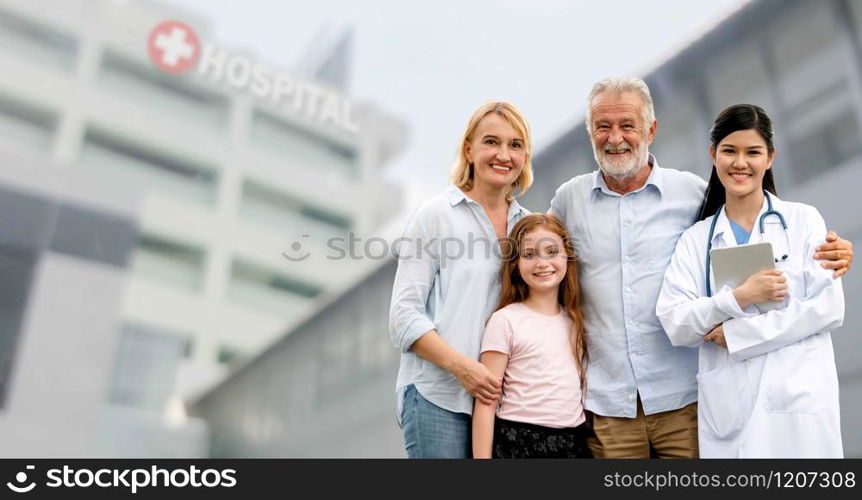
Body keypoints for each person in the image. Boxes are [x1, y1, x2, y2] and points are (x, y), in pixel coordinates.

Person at [548, 77, 854, 458]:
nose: (615, 138)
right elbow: (535, 256)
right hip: (610, 406)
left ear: (651, 130)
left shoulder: (693, 196)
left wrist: (836, 251)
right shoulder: (568, 201)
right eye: (602, 126)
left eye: (628, 125)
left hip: (685, 400)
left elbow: (823, 303)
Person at [656, 104, 844, 458]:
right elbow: (675, 322)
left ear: (770, 158)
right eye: (729, 151)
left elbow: (827, 308)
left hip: (797, 405)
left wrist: (736, 334)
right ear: (713, 154)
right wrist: (736, 299)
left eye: (753, 152)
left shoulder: (803, 220)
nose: (740, 163)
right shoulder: (696, 239)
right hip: (730, 412)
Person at [389, 101, 534, 458]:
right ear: (469, 150)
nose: (503, 154)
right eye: (491, 142)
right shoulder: (436, 215)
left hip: (506, 409)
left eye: (515, 145)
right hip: (437, 398)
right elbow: (403, 318)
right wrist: (463, 369)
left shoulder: (530, 228)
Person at [472, 214, 590, 458]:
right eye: (529, 255)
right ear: (515, 263)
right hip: (520, 441)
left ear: (566, 255)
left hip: (573, 442)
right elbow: (486, 402)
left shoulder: (575, 320)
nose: (541, 263)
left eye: (551, 251)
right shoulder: (505, 320)